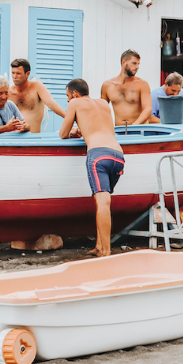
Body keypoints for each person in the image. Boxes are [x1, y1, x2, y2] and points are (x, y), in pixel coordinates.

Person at [59, 78, 124, 257]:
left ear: (74, 94)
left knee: (102, 202)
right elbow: (99, 126)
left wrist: (73, 132)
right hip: (118, 155)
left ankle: (106, 252)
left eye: (67, 96)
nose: (67, 100)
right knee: (102, 202)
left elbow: (63, 134)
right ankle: (98, 246)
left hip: (98, 156)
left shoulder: (75, 103)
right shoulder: (103, 103)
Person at [7, 57, 68, 135]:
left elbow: (52, 104)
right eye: (13, 73)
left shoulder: (37, 87)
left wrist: (69, 119)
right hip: (12, 139)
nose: (14, 77)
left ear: (27, 74)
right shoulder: (8, 92)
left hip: (33, 138)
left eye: (18, 73)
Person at [101, 49, 153, 127]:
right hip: (119, 130)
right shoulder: (108, 85)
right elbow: (102, 110)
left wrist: (135, 125)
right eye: (134, 63)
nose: (137, 67)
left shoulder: (142, 84)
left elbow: (148, 109)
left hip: (139, 129)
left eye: (138, 64)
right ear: (123, 62)